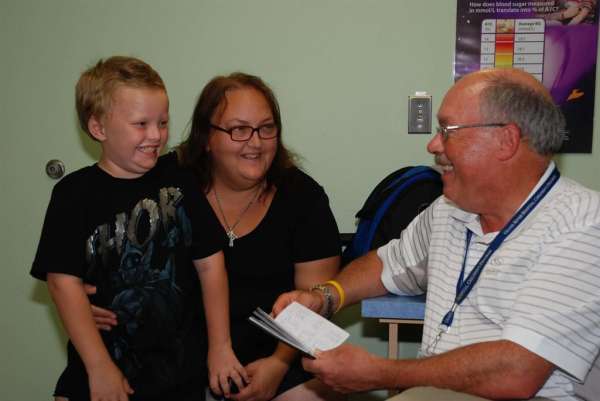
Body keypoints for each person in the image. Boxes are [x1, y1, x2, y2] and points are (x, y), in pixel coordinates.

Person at [273, 68, 600, 401]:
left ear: (506, 141)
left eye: (448, 130)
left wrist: (381, 373)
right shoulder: (449, 208)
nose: (433, 145)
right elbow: (388, 265)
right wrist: (326, 297)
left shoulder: (584, 223)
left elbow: (518, 372)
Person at [92, 72, 344, 401]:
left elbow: (314, 300)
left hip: (280, 355)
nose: (255, 142)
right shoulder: (166, 183)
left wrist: (277, 365)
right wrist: (87, 296)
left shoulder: (302, 197)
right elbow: (98, 236)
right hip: (178, 360)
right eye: (238, 129)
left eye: (266, 128)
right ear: (207, 138)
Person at [31, 56, 245, 401]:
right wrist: (99, 367)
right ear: (99, 128)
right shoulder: (73, 194)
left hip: (179, 373)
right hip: (100, 368)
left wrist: (221, 347)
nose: (156, 135)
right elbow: (62, 283)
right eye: (141, 124)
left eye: (162, 122)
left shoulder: (181, 181)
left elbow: (211, 263)